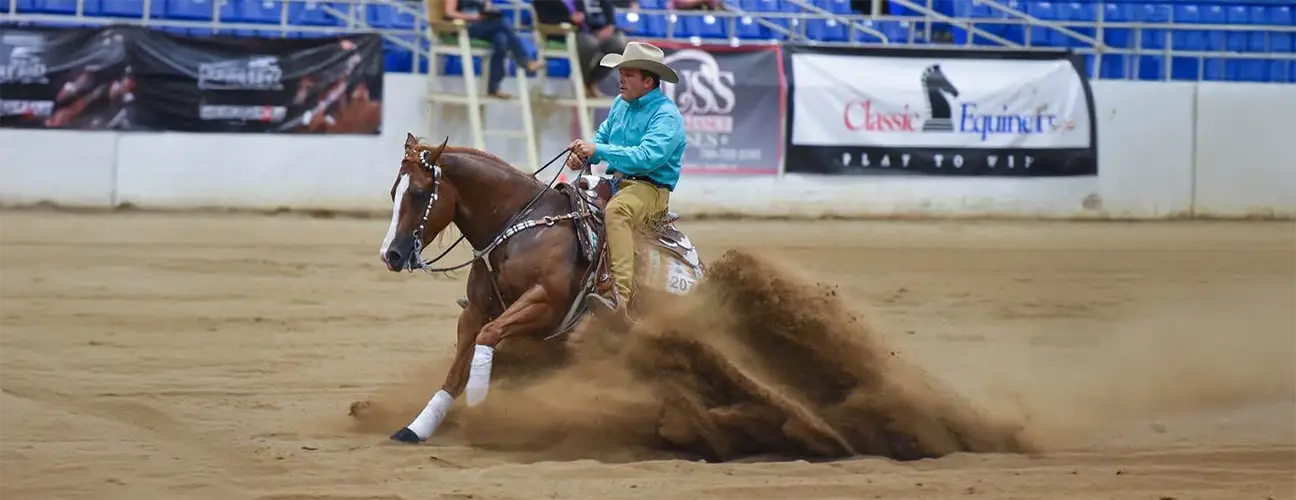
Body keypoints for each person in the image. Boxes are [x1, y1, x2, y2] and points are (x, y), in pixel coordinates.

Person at [567, 41, 686, 320]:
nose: (620, 78)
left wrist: (598, 151)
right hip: (617, 181)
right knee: (566, 203)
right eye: (621, 72)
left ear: (648, 81)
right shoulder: (621, 104)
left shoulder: (666, 116)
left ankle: (619, 297)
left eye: (629, 74)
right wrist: (584, 157)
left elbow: (647, 157)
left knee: (617, 213)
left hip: (649, 188)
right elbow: (603, 136)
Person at [440, 0, 545, 99]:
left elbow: (485, 7)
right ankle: (525, 61)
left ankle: (493, 87)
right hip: (462, 27)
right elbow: (449, 13)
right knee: (501, 22)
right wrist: (473, 17)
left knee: (501, 39)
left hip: (481, 25)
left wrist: (487, 10)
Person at [532, 0, 629, 97]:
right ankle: (582, 82)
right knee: (589, 44)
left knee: (618, 47)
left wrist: (607, 26)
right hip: (562, 34)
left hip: (587, 31)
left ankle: (589, 81)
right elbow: (545, 18)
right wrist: (569, 19)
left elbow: (587, 15)